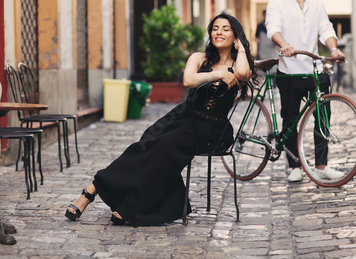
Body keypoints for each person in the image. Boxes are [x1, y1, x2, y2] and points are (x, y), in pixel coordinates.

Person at [65, 13, 256, 226]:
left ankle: (98, 194)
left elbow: (243, 74)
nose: (219, 32)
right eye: (215, 28)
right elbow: (188, 80)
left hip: (213, 129)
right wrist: (219, 75)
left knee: (164, 145)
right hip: (183, 117)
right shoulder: (198, 58)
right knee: (146, 145)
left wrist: (240, 48)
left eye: (226, 29)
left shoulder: (240, 63)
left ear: (235, 35)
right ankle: (109, 196)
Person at [265, 0, 346, 182]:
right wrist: (285, 45)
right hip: (289, 70)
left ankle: (321, 166)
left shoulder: (316, 2)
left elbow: (325, 28)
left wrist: (334, 49)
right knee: (290, 120)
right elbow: (273, 28)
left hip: (314, 70)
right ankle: (295, 166)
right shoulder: (276, 3)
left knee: (323, 117)